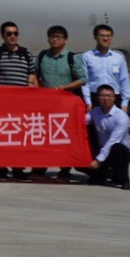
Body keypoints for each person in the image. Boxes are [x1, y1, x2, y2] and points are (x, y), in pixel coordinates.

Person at [35, 24, 88, 181]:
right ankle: (39, 168)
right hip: (45, 106)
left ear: (65, 40)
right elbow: (34, 75)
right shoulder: (42, 56)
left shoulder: (71, 58)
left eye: (58, 37)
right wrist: (37, 91)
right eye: (52, 37)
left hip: (65, 107)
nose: (55, 40)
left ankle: (64, 171)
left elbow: (83, 79)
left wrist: (66, 87)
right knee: (43, 137)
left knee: (65, 139)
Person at [0, 21, 37, 178]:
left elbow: (32, 72)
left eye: (15, 33)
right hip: (2, 104)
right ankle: (1, 169)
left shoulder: (26, 53)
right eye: (9, 34)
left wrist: (30, 83)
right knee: (1, 136)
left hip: (21, 104)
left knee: (20, 137)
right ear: (3, 36)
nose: (13, 36)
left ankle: (17, 168)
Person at [84, 84, 130, 190]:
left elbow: (112, 141)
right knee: (93, 177)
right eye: (102, 96)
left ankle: (124, 179)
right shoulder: (95, 111)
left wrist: (98, 160)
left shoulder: (121, 117)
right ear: (97, 98)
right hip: (102, 151)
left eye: (109, 96)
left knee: (116, 147)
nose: (106, 99)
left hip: (119, 152)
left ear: (114, 98)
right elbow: (81, 121)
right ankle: (105, 174)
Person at [80, 24, 130, 112]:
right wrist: (88, 101)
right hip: (95, 98)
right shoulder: (87, 56)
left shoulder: (118, 57)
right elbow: (85, 81)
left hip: (114, 98)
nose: (105, 38)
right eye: (102, 36)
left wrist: (125, 103)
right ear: (95, 37)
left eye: (108, 36)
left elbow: (124, 80)